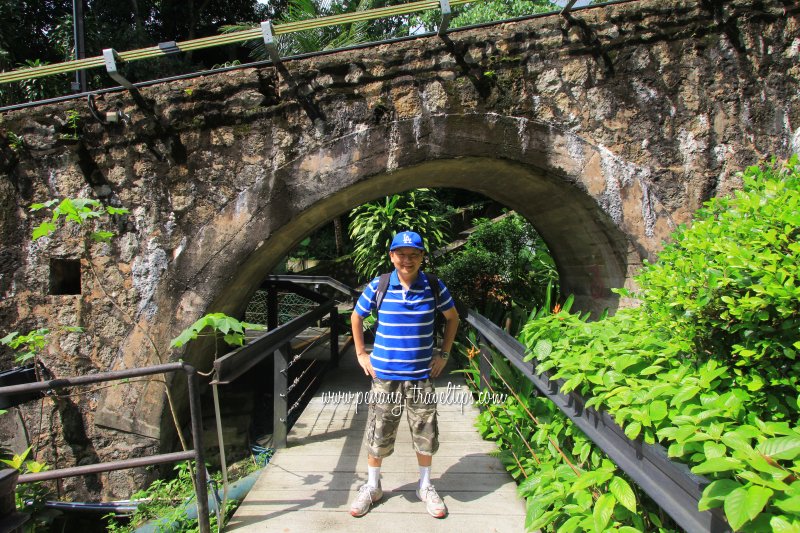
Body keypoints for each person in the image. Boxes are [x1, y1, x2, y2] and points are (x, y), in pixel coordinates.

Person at [349, 230, 460, 519]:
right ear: (392, 256)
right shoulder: (379, 285)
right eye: (401, 254)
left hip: (421, 375)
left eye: (414, 255)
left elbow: (453, 318)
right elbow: (356, 316)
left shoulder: (434, 286)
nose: (407, 260)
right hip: (384, 374)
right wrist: (361, 353)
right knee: (378, 430)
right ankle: (373, 486)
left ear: (422, 257)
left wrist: (444, 354)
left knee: (425, 431)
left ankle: (425, 485)